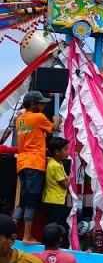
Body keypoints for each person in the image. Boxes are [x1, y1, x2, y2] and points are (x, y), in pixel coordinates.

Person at [14, 91, 62, 244]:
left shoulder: (20, 119)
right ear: (33, 105)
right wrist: (57, 121)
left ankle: (10, 232)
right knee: (32, 202)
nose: (43, 105)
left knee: (23, 200)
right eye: (41, 103)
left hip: (22, 163)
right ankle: (27, 237)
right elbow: (53, 129)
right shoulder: (39, 118)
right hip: (35, 163)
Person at [42, 137, 71, 248]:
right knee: (57, 228)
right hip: (56, 201)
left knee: (56, 226)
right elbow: (64, 185)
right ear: (57, 152)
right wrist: (69, 179)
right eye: (65, 149)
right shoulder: (56, 166)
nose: (67, 152)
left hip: (52, 200)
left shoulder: (54, 162)